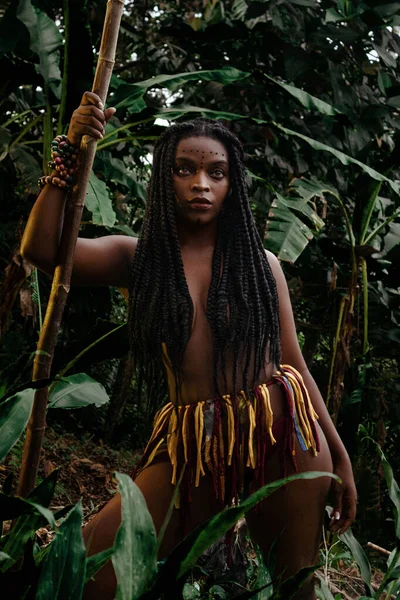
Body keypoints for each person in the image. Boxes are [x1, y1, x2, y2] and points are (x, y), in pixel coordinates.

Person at [21, 91, 357, 600]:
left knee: (297, 589)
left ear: (230, 185)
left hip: (283, 431)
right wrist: (71, 148)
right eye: (184, 170)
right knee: (87, 571)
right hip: (192, 443)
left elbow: (295, 364)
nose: (201, 183)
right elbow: (42, 250)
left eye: (216, 173)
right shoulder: (138, 260)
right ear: (165, 179)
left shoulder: (262, 265)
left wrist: (340, 454)